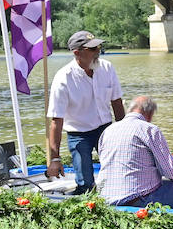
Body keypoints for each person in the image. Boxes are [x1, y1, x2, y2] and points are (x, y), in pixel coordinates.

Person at [46, 30, 124, 193]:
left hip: (106, 130)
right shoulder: (63, 78)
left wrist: (124, 133)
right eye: (93, 49)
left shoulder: (107, 68)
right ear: (77, 53)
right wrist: (55, 158)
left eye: (99, 47)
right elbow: (56, 121)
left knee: (119, 174)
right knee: (85, 184)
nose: (98, 52)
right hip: (79, 133)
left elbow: (116, 103)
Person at [97, 96, 173, 207]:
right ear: (150, 114)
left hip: (106, 199)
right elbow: (172, 173)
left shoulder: (108, 130)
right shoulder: (149, 129)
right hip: (141, 199)